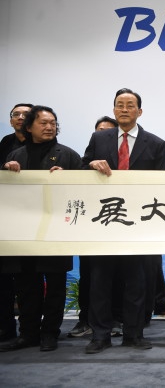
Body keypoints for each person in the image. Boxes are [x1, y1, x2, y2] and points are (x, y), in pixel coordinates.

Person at [81, 88, 165, 353]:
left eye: (130, 105)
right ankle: (100, 336)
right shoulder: (99, 138)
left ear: (139, 111)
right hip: (104, 220)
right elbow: (81, 169)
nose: (124, 109)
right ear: (114, 109)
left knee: (136, 283)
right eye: (120, 105)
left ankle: (133, 333)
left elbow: (159, 184)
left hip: (137, 224)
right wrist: (91, 165)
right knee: (100, 282)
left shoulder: (156, 143)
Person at [0, 105, 80, 352]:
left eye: (53, 123)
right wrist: (6, 171)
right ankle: (28, 333)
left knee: (55, 284)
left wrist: (68, 178)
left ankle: (50, 333)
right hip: (24, 232)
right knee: (26, 285)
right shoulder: (16, 155)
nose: (49, 127)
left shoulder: (68, 155)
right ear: (30, 126)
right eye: (43, 123)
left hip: (56, 230)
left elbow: (83, 192)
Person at [68, 115, 124, 339]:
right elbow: (78, 174)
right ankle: (86, 319)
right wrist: (91, 165)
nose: (104, 134)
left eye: (108, 131)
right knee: (89, 274)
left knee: (118, 274)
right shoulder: (90, 154)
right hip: (93, 223)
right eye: (100, 130)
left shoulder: (127, 152)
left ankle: (115, 319)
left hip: (121, 220)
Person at [0, 103, 33, 344]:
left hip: (35, 223)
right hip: (8, 221)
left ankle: (30, 331)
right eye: (16, 114)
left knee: (29, 281)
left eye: (26, 115)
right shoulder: (5, 145)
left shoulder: (49, 148)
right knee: (4, 278)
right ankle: (6, 328)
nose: (20, 118)